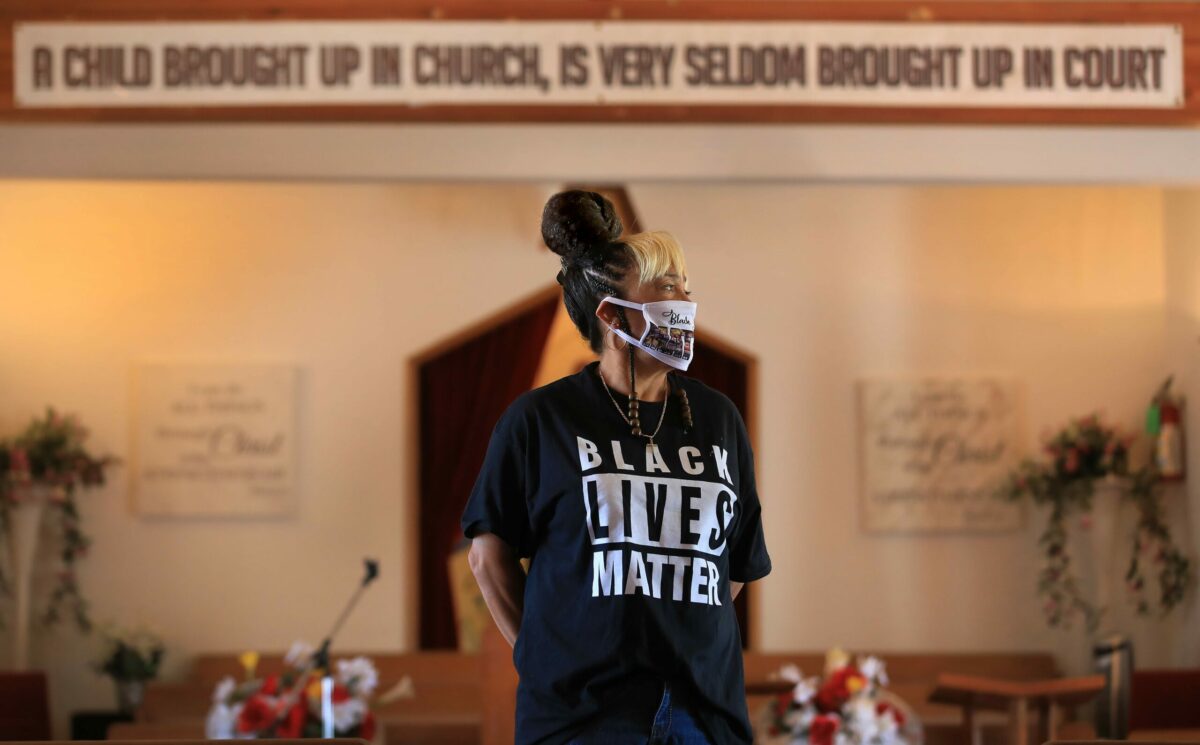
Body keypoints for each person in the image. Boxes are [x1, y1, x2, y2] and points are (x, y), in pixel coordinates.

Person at [461, 189, 772, 745]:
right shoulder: (541, 419)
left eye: (686, 287)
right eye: (667, 288)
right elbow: (488, 557)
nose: (686, 302)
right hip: (583, 717)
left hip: (703, 713)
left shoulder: (718, 417)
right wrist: (544, 658)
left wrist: (681, 636)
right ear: (611, 314)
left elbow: (734, 565)